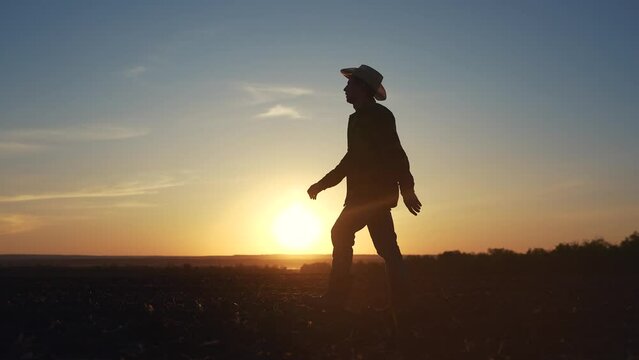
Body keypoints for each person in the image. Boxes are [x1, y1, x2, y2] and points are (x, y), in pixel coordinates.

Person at [307, 64, 421, 311]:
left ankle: (337, 297)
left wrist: (407, 189)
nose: (344, 88)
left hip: (372, 195)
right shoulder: (357, 119)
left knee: (340, 232)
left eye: (349, 84)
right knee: (388, 249)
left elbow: (396, 153)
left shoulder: (380, 116)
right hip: (366, 195)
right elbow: (351, 159)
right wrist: (323, 184)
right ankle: (404, 302)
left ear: (361, 87)